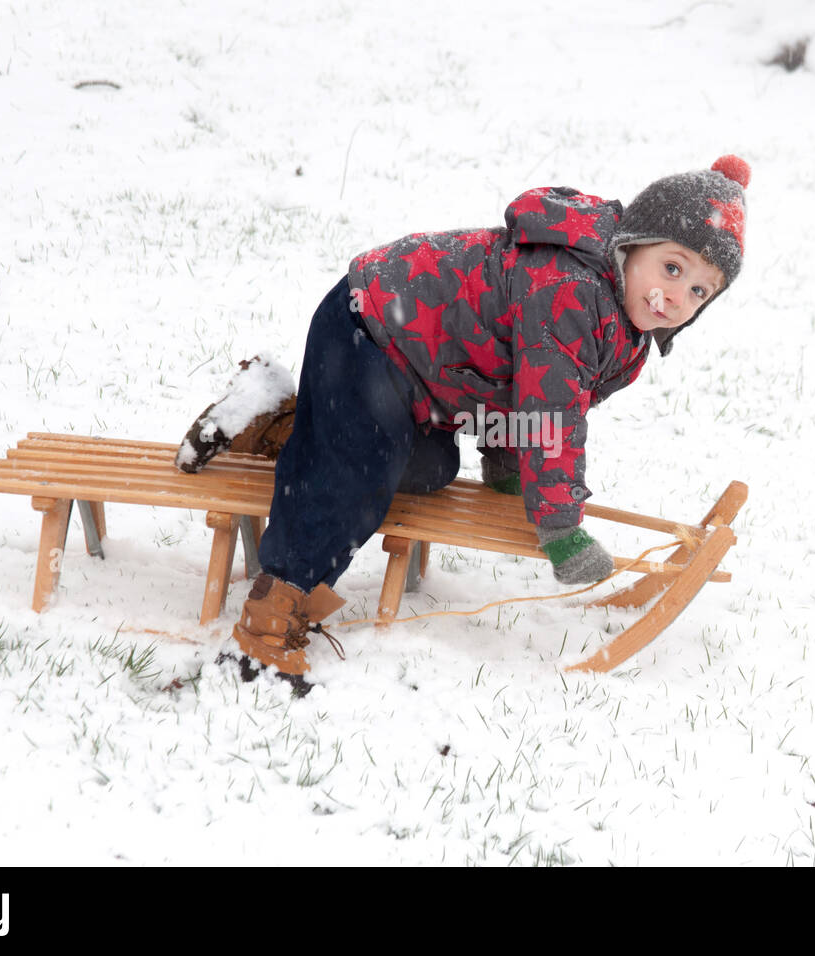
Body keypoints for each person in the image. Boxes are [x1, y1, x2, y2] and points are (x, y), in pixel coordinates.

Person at [178, 155, 750, 686]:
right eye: (671, 268)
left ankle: (279, 421)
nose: (676, 295)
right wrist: (560, 527)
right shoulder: (571, 292)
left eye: (699, 289)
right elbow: (552, 414)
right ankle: (273, 615)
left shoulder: (626, 329)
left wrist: (509, 469)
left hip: (420, 375)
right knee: (357, 471)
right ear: (632, 245)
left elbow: (523, 387)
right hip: (371, 324)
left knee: (430, 468)